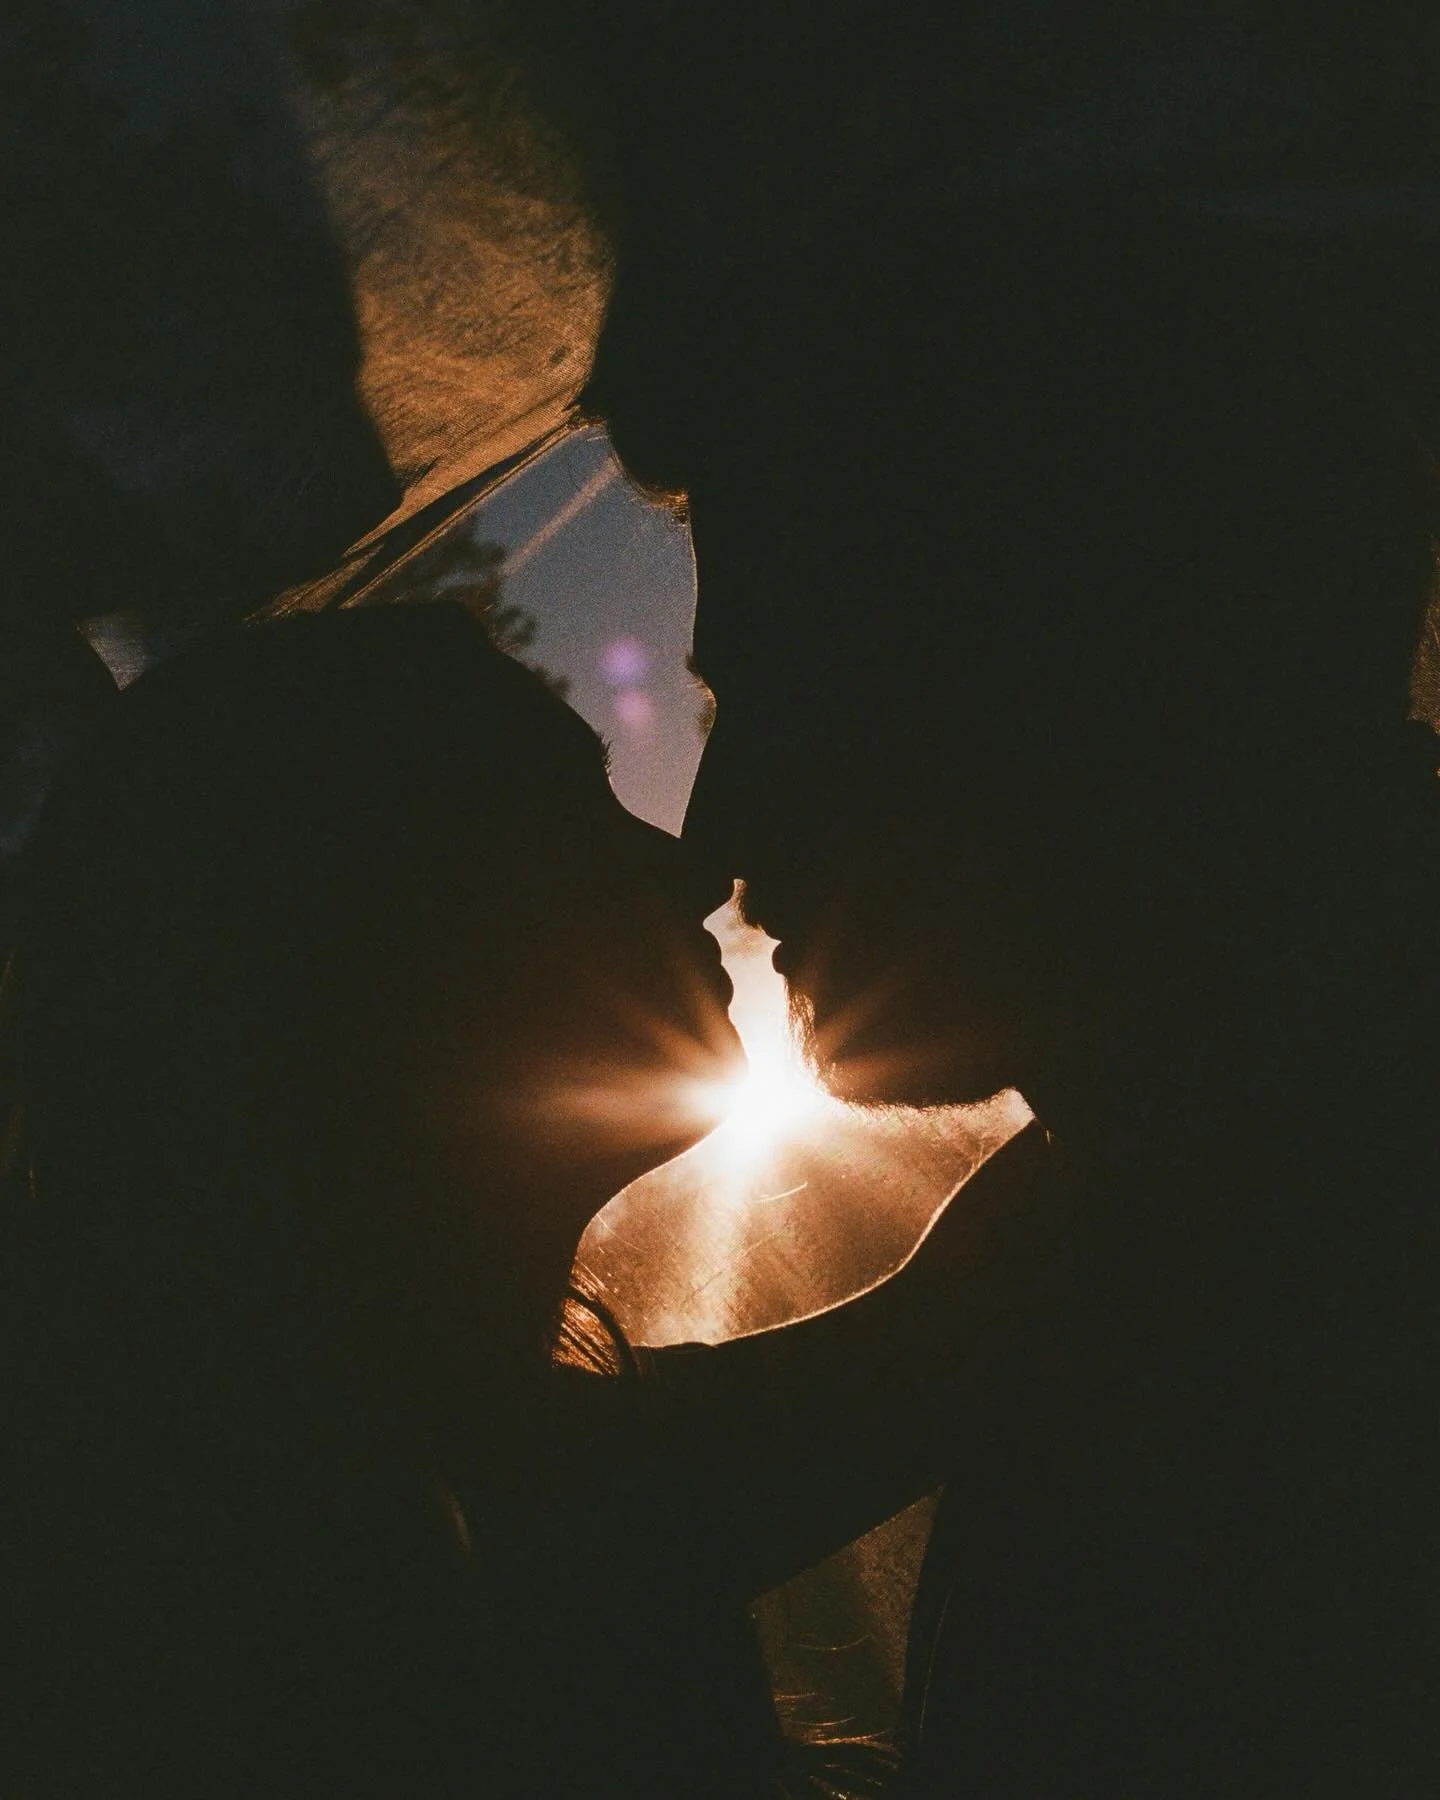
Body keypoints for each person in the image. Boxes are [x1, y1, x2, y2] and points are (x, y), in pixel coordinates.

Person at [589, 206, 1440, 1794]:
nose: (718, 842)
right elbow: (653, 1504)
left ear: (1084, 670)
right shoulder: (1137, 1186)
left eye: (779, 703)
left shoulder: (1302, 1205)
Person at [1, 603, 1062, 1797]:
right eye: (572, 818)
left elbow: (975, 1312)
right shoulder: (278, 1600)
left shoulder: (468, 1472)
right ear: (376, 943)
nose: (696, 863)